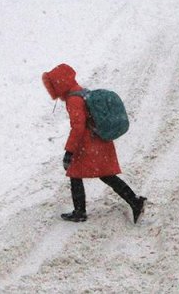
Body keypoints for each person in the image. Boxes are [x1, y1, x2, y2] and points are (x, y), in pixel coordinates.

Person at [42, 63, 146, 223]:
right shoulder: (81, 92)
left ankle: (80, 211)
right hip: (99, 142)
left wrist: (69, 151)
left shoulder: (74, 100)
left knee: (75, 174)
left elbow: (78, 128)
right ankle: (134, 201)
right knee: (106, 175)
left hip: (88, 145)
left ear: (59, 84)